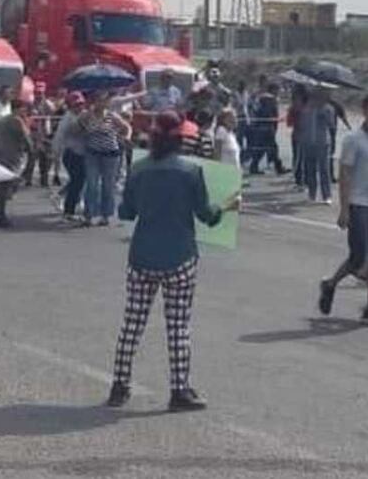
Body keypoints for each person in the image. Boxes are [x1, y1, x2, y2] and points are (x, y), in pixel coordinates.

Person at [106, 111, 238, 412]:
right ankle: (179, 390)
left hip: (142, 257)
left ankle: (119, 385)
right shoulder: (191, 172)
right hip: (180, 257)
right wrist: (227, 206)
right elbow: (207, 215)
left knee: (132, 323)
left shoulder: (138, 169)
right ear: (180, 139)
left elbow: (126, 213)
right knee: (178, 326)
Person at [318, 93, 368, 328]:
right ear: (365, 111)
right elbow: (345, 175)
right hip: (359, 204)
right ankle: (330, 284)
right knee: (359, 257)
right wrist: (345, 209)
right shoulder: (353, 139)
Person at [80, 91, 131, 227]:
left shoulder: (112, 116)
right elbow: (78, 128)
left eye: (104, 101)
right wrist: (84, 130)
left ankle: (105, 214)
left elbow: (127, 127)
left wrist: (125, 137)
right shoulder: (87, 116)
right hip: (93, 153)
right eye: (98, 100)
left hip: (110, 154)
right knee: (92, 184)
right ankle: (89, 214)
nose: (101, 104)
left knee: (108, 185)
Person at [0, 99, 32, 228]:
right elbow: (27, 138)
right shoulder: (17, 121)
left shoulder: (2, 120)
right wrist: (31, 149)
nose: (25, 111)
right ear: (18, 108)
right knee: (6, 185)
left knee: (0, 185)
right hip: (12, 156)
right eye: (23, 108)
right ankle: (0, 215)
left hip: (1, 154)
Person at [53, 92, 87, 221]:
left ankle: (66, 197)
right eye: (77, 105)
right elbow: (59, 136)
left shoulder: (84, 115)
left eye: (81, 104)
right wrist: (56, 152)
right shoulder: (68, 118)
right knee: (77, 182)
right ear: (70, 106)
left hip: (83, 153)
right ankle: (69, 210)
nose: (80, 107)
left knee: (80, 181)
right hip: (72, 154)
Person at [300, 90, 335, 204]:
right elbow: (303, 124)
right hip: (309, 142)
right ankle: (312, 194)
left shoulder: (328, 109)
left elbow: (331, 124)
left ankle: (327, 195)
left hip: (323, 142)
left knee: (324, 170)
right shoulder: (306, 109)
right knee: (310, 169)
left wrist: (323, 114)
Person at [247, 83, 287, 175]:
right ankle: (278, 167)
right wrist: (274, 124)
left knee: (262, 148)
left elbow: (256, 111)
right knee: (273, 148)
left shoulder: (261, 99)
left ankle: (254, 166)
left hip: (261, 127)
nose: (278, 93)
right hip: (268, 127)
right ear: (273, 90)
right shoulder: (271, 100)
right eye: (277, 90)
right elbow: (272, 114)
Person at [23, 82, 55, 187]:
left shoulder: (49, 104)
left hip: (45, 134)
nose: (39, 94)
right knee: (32, 157)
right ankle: (28, 180)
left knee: (45, 158)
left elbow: (52, 117)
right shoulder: (30, 104)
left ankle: (44, 179)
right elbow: (26, 117)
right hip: (34, 133)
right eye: (37, 92)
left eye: (40, 92)